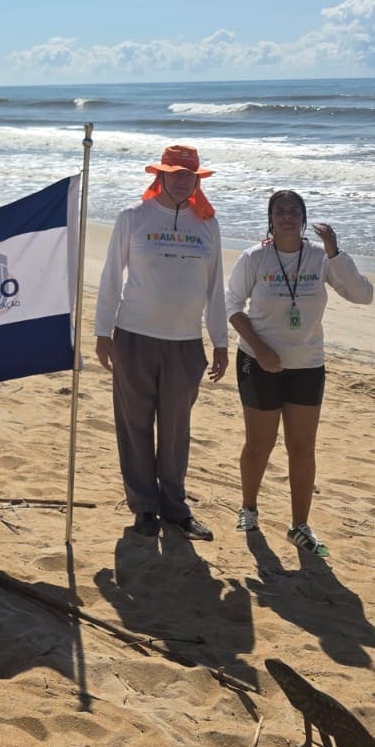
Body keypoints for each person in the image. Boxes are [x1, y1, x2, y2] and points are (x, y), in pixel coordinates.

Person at [226, 190, 373, 558]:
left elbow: (362, 295)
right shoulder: (255, 257)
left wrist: (336, 252)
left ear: (304, 219)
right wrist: (260, 349)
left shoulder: (321, 257)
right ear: (270, 219)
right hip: (257, 362)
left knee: (302, 448)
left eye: (294, 211)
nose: (287, 217)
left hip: (307, 364)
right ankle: (248, 508)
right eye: (280, 211)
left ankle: (299, 526)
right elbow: (231, 304)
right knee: (259, 445)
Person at [94, 144, 228, 540]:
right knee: (134, 425)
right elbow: (110, 276)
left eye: (190, 175)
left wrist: (220, 342)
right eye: (175, 174)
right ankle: (144, 508)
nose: (183, 181)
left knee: (175, 429)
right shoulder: (133, 217)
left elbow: (215, 288)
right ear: (161, 176)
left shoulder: (208, 224)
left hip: (185, 342)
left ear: (197, 180)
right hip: (134, 336)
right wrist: (102, 332)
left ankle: (174, 507)